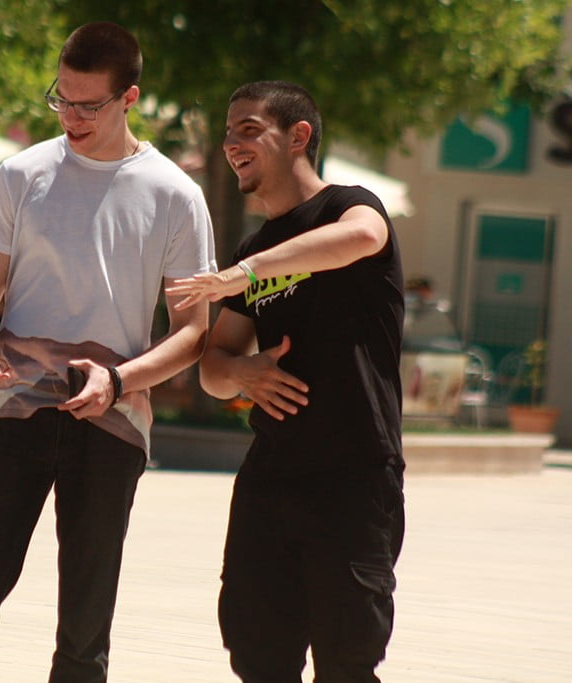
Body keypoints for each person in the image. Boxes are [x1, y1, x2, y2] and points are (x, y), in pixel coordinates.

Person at [0, 21, 216, 683]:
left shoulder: (175, 194)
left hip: (113, 417)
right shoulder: (20, 175)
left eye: (89, 105)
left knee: (85, 631)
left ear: (129, 97)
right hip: (14, 408)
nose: (71, 117)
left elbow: (192, 333)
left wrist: (118, 381)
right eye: (62, 99)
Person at [167, 81, 406, 682]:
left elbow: (363, 238)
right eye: (228, 132)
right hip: (270, 479)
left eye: (249, 129)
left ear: (299, 136)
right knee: (258, 659)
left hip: (354, 474)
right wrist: (241, 372)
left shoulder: (349, 206)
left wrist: (245, 273)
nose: (231, 144)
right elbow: (215, 366)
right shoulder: (259, 244)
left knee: (347, 663)